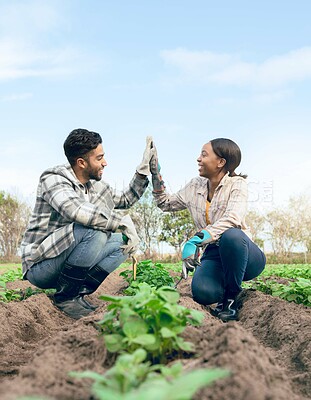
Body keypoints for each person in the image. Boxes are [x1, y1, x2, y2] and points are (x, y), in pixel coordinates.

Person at [21, 128, 153, 319]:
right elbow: (75, 211)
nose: (105, 163)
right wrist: (120, 221)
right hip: (41, 265)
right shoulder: (53, 178)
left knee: (122, 243)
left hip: (66, 260)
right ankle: (65, 297)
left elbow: (125, 199)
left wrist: (142, 172)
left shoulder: (95, 186)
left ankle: (77, 294)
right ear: (81, 162)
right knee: (96, 230)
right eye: (99, 158)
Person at [150, 138, 266, 321]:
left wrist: (196, 240)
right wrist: (156, 175)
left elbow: (232, 219)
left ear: (221, 162)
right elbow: (165, 203)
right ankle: (223, 287)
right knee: (203, 293)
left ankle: (230, 298)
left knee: (232, 236)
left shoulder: (237, 184)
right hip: (214, 252)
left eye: (204, 154)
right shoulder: (195, 185)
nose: (198, 159)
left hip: (243, 252)